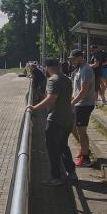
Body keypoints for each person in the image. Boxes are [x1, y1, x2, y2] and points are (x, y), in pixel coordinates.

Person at [26, 58, 77, 186]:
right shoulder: (66, 79)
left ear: (47, 68)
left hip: (56, 120)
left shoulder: (53, 80)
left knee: (53, 149)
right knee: (63, 146)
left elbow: (51, 98)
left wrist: (34, 108)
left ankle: (55, 177)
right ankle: (72, 173)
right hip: (68, 119)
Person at [69, 48, 95, 167]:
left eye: (73, 59)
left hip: (84, 104)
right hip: (80, 104)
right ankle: (84, 149)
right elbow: (77, 89)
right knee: (74, 127)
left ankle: (86, 158)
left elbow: (84, 91)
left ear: (80, 58)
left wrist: (72, 103)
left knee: (81, 132)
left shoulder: (86, 70)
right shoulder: (79, 69)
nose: (72, 61)